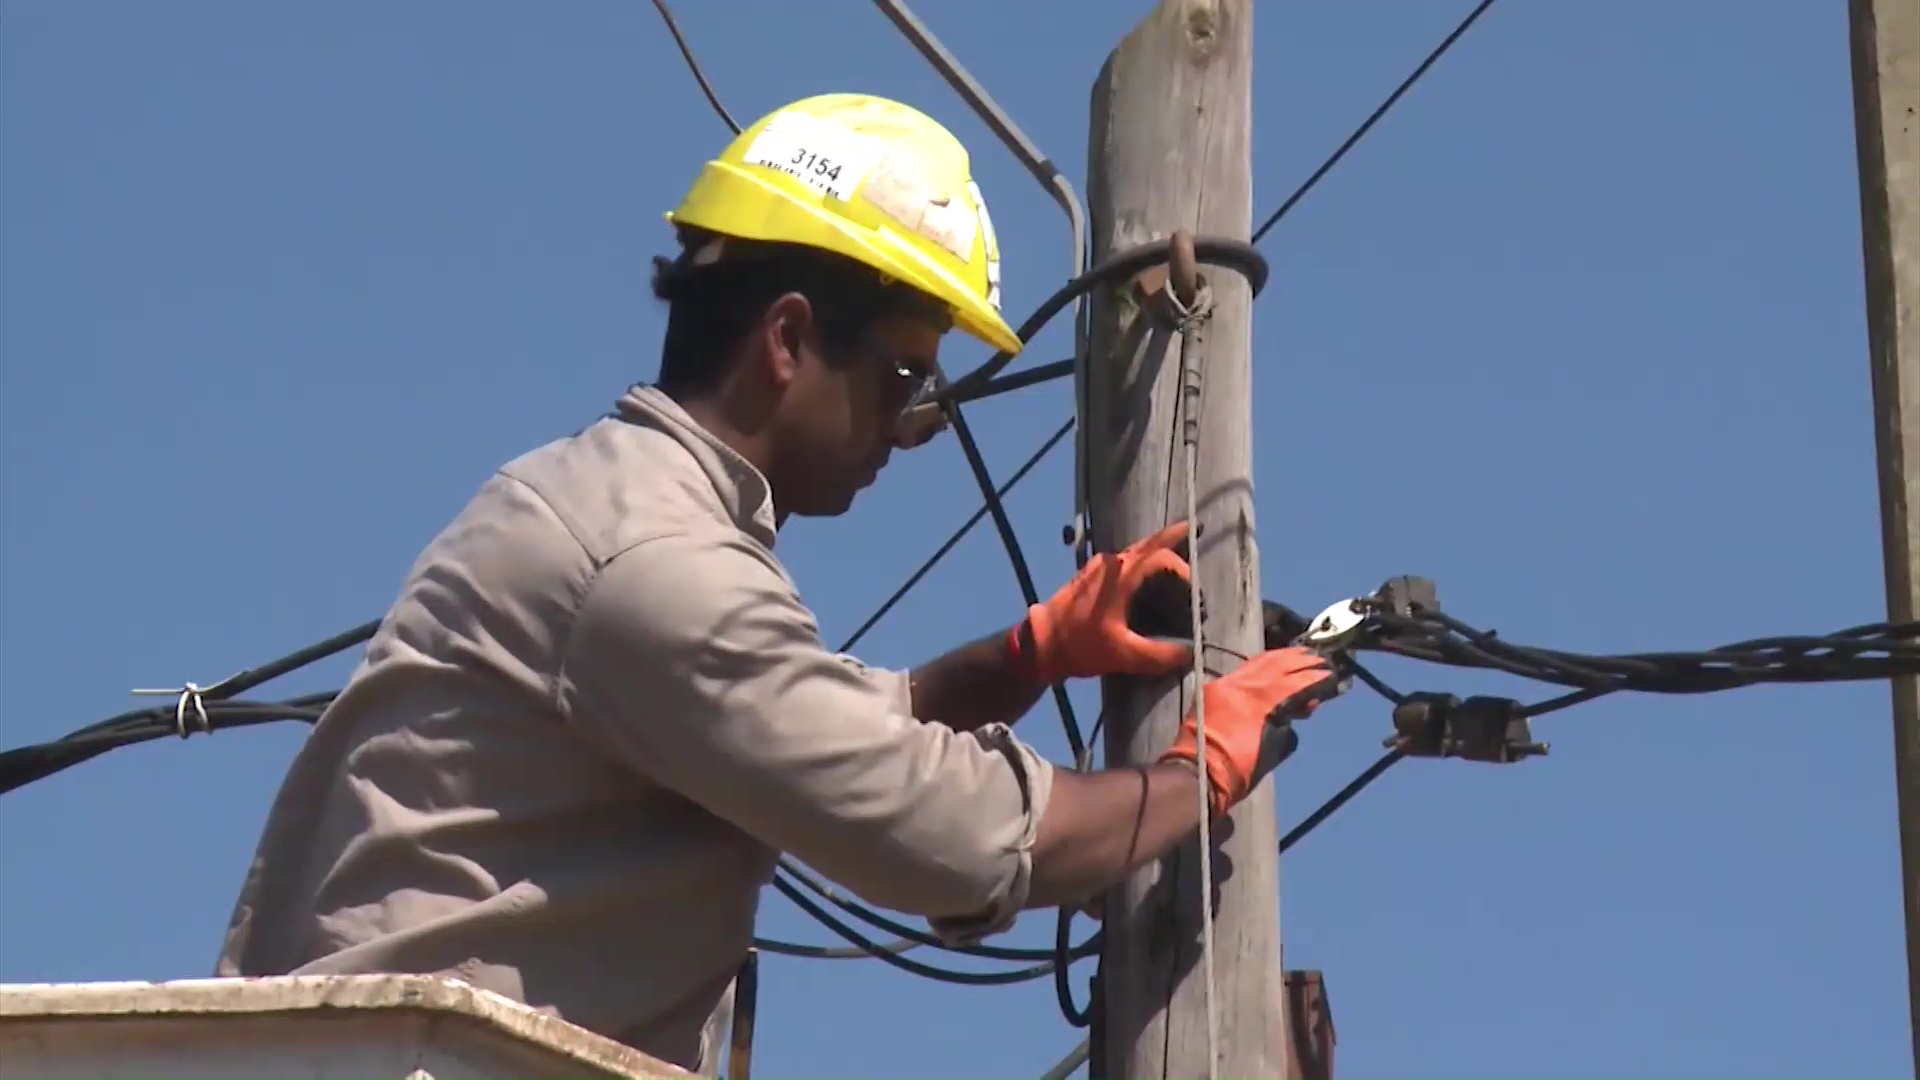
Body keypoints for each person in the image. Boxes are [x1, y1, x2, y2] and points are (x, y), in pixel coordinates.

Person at [213, 92, 1336, 1073]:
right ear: (789, 339)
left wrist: (1031, 654)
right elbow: (943, 832)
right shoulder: (653, 567)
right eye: (903, 375)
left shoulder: (613, 506)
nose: (909, 428)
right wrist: (1198, 772)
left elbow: (820, 738)